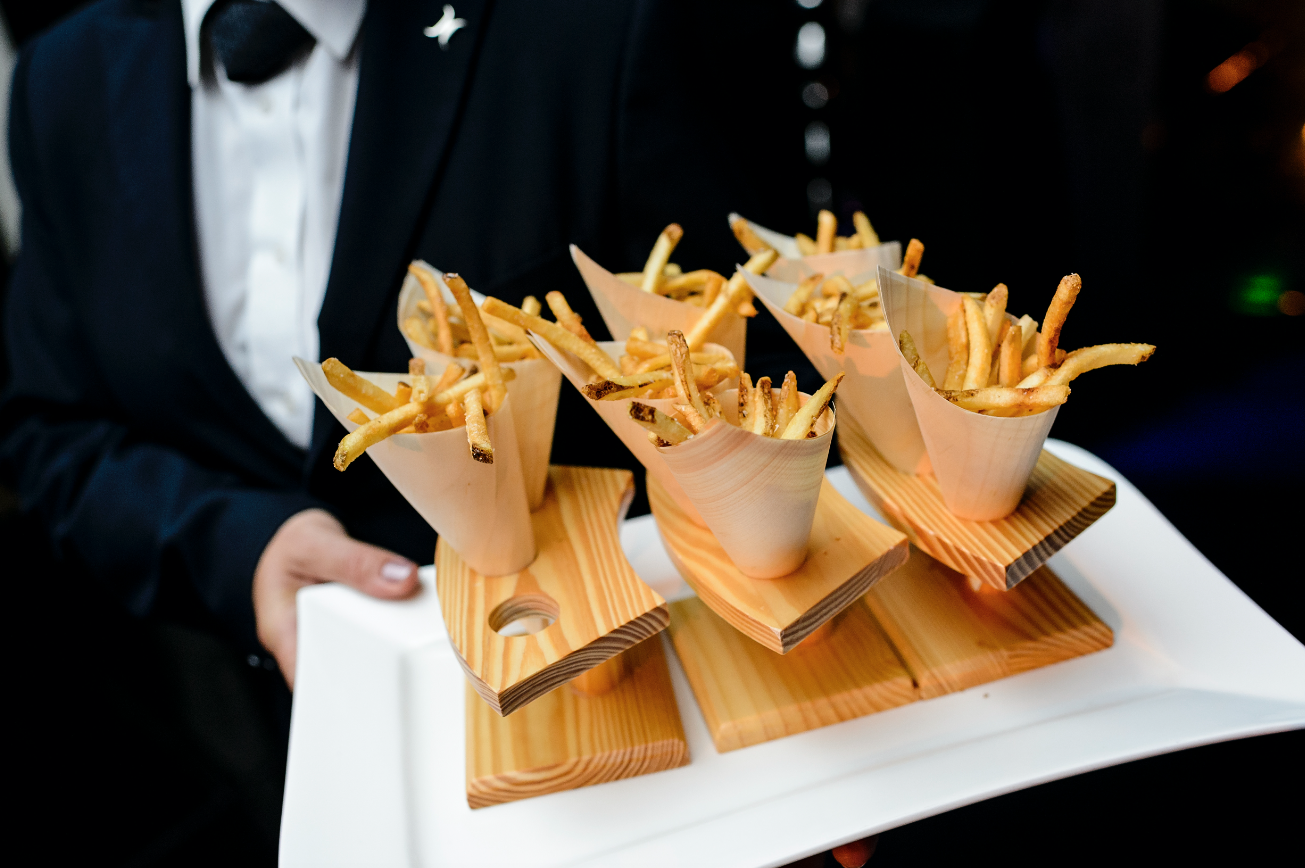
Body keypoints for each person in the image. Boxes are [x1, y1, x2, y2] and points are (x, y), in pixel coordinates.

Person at [0, 0, 748, 686]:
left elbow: (750, 372)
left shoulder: (598, 20)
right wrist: (237, 548)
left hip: (628, 687)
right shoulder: (60, 79)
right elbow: (53, 433)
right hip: (261, 724)